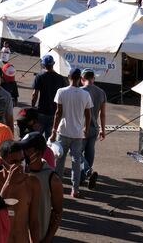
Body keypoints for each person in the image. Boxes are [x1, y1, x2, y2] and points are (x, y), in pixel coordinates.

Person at [0, 141, 40, 243]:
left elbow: (34, 221)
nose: (19, 165)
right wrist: (9, 183)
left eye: (21, 160)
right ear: (0, 161)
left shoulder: (32, 182)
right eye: (13, 162)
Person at [50, 68, 93, 198]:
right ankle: (75, 190)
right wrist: (86, 128)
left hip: (62, 132)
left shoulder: (61, 91)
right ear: (80, 79)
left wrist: (53, 131)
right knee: (76, 161)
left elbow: (58, 113)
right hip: (78, 134)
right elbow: (88, 114)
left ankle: (57, 188)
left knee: (59, 162)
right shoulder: (85, 94)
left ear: (69, 77)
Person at [20, 132, 64, 242]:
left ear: (38, 153)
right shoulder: (18, 172)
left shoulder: (52, 179)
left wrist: (47, 239)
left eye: (27, 150)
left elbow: (57, 213)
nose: (23, 154)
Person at [80, 68, 106, 189]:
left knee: (76, 153)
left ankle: (87, 172)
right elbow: (103, 113)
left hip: (81, 127)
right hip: (94, 128)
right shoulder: (101, 92)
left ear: (82, 79)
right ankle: (84, 176)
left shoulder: (80, 91)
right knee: (90, 152)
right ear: (93, 79)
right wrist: (103, 129)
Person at [31, 54, 66, 139]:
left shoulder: (39, 76)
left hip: (41, 111)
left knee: (36, 138)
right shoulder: (60, 78)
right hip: (54, 112)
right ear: (53, 64)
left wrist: (33, 106)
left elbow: (35, 94)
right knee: (50, 140)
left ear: (43, 64)